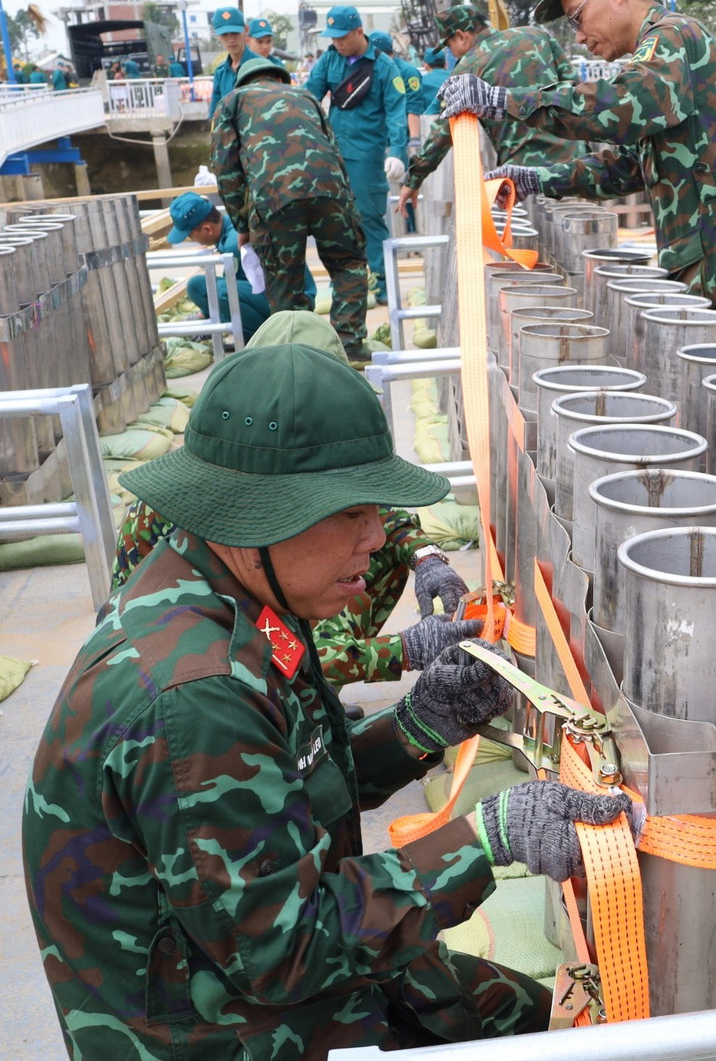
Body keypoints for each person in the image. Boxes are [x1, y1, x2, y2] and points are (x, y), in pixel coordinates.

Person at [23, 343, 630, 1059]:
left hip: (255, 966)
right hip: (211, 1029)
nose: (376, 539)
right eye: (348, 513)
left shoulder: (230, 592)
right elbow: (286, 949)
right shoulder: (197, 694)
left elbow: (286, 783)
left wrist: (419, 723)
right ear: (256, 519)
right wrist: (482, 837)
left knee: (524, 1015)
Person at [438, 0, 716, 373]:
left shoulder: (673, 37)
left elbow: (623, 106)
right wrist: (534, 179)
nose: (579, 37)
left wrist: (505, 100)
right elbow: (630, 167)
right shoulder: (651, 62)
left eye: (578, 18)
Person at [110, 311, 480, 687]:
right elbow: (257, 640)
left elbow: (380, 512)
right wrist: (404, 651)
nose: (374, 536)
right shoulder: (205, 655)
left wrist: (426, 556)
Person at [209, 53, 370, 357]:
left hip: (274, 200)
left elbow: (226, 171)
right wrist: (348, 204)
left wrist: (242, 226)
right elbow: (333, 151)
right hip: (331, 191)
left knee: (285, 281)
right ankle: (350, 348)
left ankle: (300, 355)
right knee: (348, 264)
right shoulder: (306, 96)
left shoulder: (231, 102)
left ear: (244, 82)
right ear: (280, 78)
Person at [396, 2, 588, 218]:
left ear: (461, 36)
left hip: (523, 179)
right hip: (575, 166)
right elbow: (578, 92)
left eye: (449, 45)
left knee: (534, 246)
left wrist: (413, 180)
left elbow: (443, 131)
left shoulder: (467, 67)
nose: (452, 53)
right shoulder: (537, 35)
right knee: (578, 237)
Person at [305, 5, 409, 305]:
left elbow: (396, 113)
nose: (337, 42)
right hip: (332, 154)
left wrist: (398, 152)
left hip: (366, 156)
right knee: (335, 221)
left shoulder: (384, 67)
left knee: (369, 220)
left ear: (359, 32)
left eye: (342, 37)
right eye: (332, 37)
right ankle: (350, 285)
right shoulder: (329, 61)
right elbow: (309, 97)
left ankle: (383, 284)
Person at [165, 188, 314, 342]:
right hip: (275, 292)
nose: (193, 240)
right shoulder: (232, 224)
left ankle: (264, 338)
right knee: (196, 285)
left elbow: (234, 289)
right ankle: (225, 325)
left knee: (225, 292)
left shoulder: (233, 244)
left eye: (191, 236)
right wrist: (203, 315)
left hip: (293, 302)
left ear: (207, 229)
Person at [369, 28, 425, 151]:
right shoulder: (370, 71)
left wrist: (414, 139)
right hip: (375, 138)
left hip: (400, 139)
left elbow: (413, 107)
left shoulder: (407, 73)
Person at [206, 5, 260, 118]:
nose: (230, 40)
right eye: (224, 34)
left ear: (246, 30)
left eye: (235, 33)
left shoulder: (261, 66)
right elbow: (215, 113)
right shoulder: (220, 73)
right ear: (217, 36)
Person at [420, 45, 450, 114]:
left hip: (431, 121)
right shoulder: (456, 75)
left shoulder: (422, 81)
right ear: (445, 64)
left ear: (425, 65)